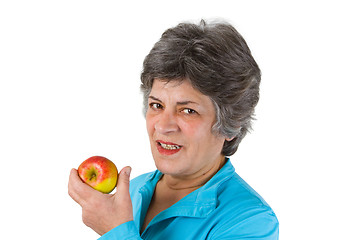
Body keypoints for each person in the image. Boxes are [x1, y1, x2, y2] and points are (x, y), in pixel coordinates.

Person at [68, 19, 279, 239]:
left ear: (231, 124)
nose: (163, 125)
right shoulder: (132, 192)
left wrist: (116, 232)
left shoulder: (251, 222)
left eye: (188, 111)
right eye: (157, 105)